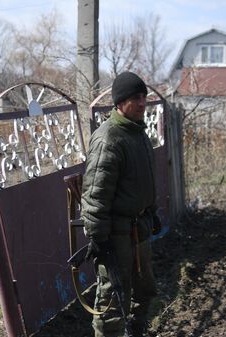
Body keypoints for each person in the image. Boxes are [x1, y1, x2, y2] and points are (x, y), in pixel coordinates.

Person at [81, 71, 161, 337]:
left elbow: (143, 181)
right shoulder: (108, 138)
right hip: (116, 236)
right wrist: (99, 239)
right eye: (135, 98)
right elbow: (95, 195)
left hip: (140, 229)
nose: (142, 103)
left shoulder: (138, 133)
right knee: (113, 300)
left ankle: (136, 332)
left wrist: (152, 212)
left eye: (144, 97)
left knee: (145, 289)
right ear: (120, 101)